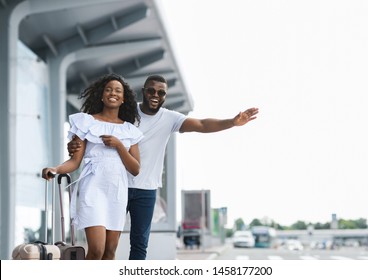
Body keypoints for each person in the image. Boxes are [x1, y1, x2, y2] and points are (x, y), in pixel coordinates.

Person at [68, 74, 259, 260]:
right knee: (108, 246)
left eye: (161, 93)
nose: (155, 95)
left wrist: (232, 122)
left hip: (146, 190)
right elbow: (98, 129)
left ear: (165, 96)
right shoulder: (126, 113)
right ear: (143, 91)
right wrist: (74, 145)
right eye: (151, 91)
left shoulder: (170, 118)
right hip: (117, 186)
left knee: (139, 243)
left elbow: (201, 124)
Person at [42, 73, 143, 260]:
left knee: (110, 252)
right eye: (109, 89)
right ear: (102, 95)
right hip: (93, 189)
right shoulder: (86, 122)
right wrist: (55, 169)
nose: (113, 93)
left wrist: (119, 145)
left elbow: (135, 169)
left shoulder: (130, 130)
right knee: (96, 250)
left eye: (118, 91)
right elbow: (74, 162)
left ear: (123, 99)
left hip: (117, 192)